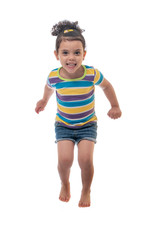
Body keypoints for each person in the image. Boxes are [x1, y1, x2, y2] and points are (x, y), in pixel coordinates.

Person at [35, 20, 122, 207]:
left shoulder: (91, 74)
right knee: (65, 160)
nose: (71, 58)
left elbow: (106, 86)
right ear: (56, 55)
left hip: (87, 124)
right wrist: (43, 100)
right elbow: (48, 89)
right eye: (65, 53)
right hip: (64, 125)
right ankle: (65, 183)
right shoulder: (54, 76)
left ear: (84, 54)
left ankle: (86, 189)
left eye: (77, 53)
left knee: (85, 160)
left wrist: (115, 105)